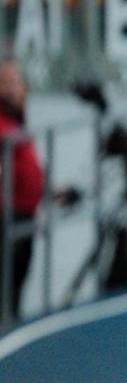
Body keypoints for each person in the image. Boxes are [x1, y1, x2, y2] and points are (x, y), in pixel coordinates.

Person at [0, 59, 45, 326]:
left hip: (24, 216)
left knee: (14, 296)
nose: (10, 89)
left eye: (15, 82)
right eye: (4, 83)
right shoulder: (6, 127)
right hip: (7, 218)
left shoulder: (18, 124)